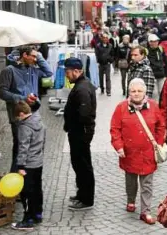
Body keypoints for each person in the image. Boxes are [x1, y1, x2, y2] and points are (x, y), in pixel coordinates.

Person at [110, 78, 166, 225]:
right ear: (129, 92)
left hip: (148, 153)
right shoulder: (121, 108)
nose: (136, 94)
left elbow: (161, 126)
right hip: (129, 153)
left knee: (147, 183)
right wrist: (119, 146)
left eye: (139, 91)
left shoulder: (153, 107)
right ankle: (130, 200)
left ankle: (145, 211)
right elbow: (115, 129)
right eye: (133, 91)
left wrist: (158, 143)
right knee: (131, 180)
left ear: (145, 92)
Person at [0, 45, 52, 173]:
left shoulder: (32, 69)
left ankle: (28, 177)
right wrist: (22, 98)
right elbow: (0, 92)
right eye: (33, 56)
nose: (35, 58)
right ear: (24, 56)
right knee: (21, 146)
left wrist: (39, 57)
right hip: (18, 115)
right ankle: (15, 178)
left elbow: (49, 72)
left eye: (36, 56)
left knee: (32, 146)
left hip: (34, 113)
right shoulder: (9, 70)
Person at [63, 58, 97, 210]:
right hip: (79, 131)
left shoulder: (82, 88)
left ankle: (86, 199)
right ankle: (82, 193)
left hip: (80, 132)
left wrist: (73, 125)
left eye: (67, 72)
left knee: (83, 165)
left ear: (76, 71)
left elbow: (84, 113)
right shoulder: (81, 84)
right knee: (79, 164)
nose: (66, 75)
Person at [11, 101, 46, 230]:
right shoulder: (39, 121)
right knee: (37, 190)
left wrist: (20, 166)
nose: (18, 119)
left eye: (18, 117)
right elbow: (43, 142)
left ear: (21, 114)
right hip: (38, 162)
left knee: (26, 192)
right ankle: (38, 214)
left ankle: (28, 220)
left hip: (28, 165)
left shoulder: (24, 127)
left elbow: (23, 148)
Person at [147, 34, 167, 100]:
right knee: (153, 94)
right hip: (151, 76)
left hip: (161, 74)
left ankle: (161, 107)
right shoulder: (146, 51)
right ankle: (154, 108)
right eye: (152, 41)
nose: (154, 43)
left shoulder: (161, 49)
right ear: (149, 42)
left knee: (162, 92)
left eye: (156, 41)